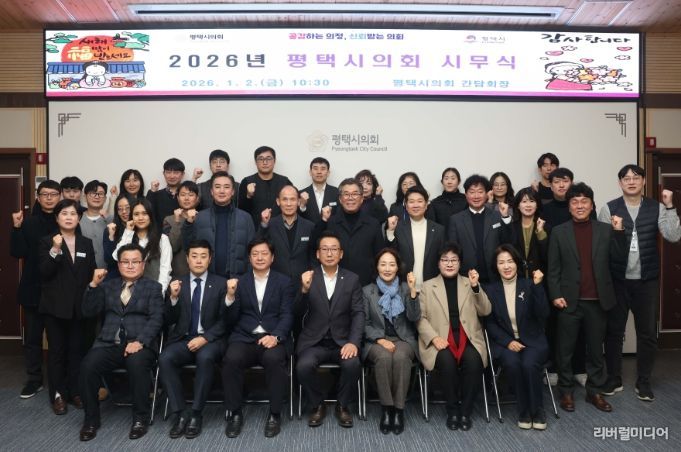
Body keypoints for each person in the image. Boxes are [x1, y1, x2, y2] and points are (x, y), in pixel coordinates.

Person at [599, 164, 681, 401]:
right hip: (617, 280)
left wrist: (670, 206)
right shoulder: (609, 208)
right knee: (614, 332)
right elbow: (601, 246)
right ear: (620, 183)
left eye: (636, 177)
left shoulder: (656, 207)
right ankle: (614, 378)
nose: (631, 181)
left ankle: (643, 381)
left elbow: (673, 235)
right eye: (626, 178)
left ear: (644, 181)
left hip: (646, 281)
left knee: (647, 334)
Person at [547, 183, 626, 414]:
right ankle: (566, 391)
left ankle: (595, 391)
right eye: (575, 202)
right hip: (568, 301)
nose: (579, 206)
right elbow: (553, 269)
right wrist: (555, 295)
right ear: (569, 206)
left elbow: (619, 260)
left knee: (595, 351)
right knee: (565, 350)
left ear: (592, 205)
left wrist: (619, 232)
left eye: (584, 202)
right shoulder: (559, 232)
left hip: (597, 300)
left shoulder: (606, 229)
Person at [78, 243, 164, 441]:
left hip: (140, 344)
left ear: (143, 264)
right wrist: (93, 285)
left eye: (135, 261)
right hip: (109, 343)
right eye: (126, 262)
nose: (130, 265)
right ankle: (91, 420)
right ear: (118, 264)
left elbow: (157, 319)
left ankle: (140, 419)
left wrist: (140, 341)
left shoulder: (153, 287)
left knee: (137, 364)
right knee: (87, 366)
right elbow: (88, 312)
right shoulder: (107, 286)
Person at [223, 238, 295, 438]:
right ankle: (235, 413)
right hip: (244, 336)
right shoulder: (239, 282)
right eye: (255, 254)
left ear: (272, 257)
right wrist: (230, 297)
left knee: (274, 359)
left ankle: (275, 414)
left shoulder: (284, 282)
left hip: (272, 336)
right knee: (231, 359)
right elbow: (230, 319)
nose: (260, 257)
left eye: (264, 253)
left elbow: (287, 315)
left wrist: (276, 336)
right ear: (249, 258)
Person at [416, 242, 491, 431]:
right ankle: (452, 411)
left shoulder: (469, 283)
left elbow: (485, 310)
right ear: (438, 263)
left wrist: (476, 287)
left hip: (468, 338)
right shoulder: (427, 286)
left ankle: (465, 411)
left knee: (474, 362)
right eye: (445, 260)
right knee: (447, 363)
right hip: (439, 339)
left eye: (454, 260)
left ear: (460, 263)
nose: (449, 264)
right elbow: (420, 319)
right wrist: (434, 338)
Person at [159, 240, 228, 440]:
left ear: (210, 259)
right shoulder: (177, 283)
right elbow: (168, 320)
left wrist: (205, 338)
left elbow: (226, 321)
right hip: (184, 339)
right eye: (194, 256)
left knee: (205, 357)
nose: (198, 260)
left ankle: (196, 413)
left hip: (211, 340)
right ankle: (180, 412)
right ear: (187, 259)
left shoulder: (221, 283)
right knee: (165, 358)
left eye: (203, 256)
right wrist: (173, 298)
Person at [295, 231, 364, 429]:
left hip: (342, 341)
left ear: (341, 254)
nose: (329, 253)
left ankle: (342, 405)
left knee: (352, 364)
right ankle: (318, 404)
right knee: (303, 366)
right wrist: (303, 290)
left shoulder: (352, 279)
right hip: (314, 342)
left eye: (334, 249)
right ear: (318, 254)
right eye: (325, 249)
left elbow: (358, 314)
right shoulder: (309, 276)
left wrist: (353, 342)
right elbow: (296, 312)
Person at [39, 199, 96, 415]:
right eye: (64, 213)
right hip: (55, 308)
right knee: (57, 353)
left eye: (73, 213)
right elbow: (44, 272)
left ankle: (75, 392)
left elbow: (90, 272)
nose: (69, 217)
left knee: (77, 352)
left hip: (79, 308)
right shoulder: (46, 242)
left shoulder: (86, 243)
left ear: (79, 218)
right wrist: (55, 249)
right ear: (57, 218)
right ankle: (58, 395)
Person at [484, 244, 549, 430]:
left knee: (529, 364)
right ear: (496, 266)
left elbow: (543, 314)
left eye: (510, 261)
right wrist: (508, 342)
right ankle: (523, 410)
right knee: (513, 363)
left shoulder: (529, 285)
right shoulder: (490, 290)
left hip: (532, 341)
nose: (506, 266)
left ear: (517, 263)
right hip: (504, 343)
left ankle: (537, 410)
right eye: (501, 262)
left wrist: (538, 287)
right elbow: (489, 323)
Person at [11, 179, 61, 399]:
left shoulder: (65, 220)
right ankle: (34, 380)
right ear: (38, 197)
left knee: (57, 339)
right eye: (44, 194)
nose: (49, 198)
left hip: (58, 289)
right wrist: (16, 228)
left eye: (53, 194)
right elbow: (18, 252)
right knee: (32, 339)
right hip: (33, 288)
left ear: (60, 196)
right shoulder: (28, 222)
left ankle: (58, 381)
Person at [362, 248, 420, 435]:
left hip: (403, 338)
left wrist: (413, 292)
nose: (387, 268)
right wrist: (379, 339)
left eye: (392, 264)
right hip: (376, 340)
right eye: (383, 264)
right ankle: (387, 409)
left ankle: (399, 410)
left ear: (398, 268)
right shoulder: (367, 291)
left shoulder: (405, 288)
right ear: (377, 267)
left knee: (401, 358)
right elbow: (364, 323)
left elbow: (414, 318)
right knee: (384, 358)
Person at [183, 171, 255, 279]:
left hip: (238, 279)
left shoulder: (245, 218)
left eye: (226, 187)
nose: (222, 191)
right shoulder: (199, 217)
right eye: (217, 187)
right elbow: (188, 247)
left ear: (233, 192)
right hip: (207, 280)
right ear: (211, 191)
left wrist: (247, 279)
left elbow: (253, 251)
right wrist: (188, 224)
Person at [447, 174, 511, 284]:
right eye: (472, 192)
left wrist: (505, 217)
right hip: (466, 278)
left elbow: (508, 243)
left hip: (495, 277)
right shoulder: (456, 220)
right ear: (466, 195)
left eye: (480, 192)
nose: (476, 196)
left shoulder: (497, 216)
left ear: (487, 194)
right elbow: (453, 251)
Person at [323, 178, 385, 286]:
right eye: (346, 194)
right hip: (336, 284)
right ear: (340, 199)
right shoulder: (331, 223)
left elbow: (380, 256)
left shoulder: (373, 224)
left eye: (355, 194)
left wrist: (374, 281)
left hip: (366, 285)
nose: (350, 198)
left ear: (361, 198)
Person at [386, 186, 446, 289]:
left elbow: (443, 259)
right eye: (411, 201)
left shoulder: (438, 230)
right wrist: (390, 231)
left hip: (431, 287)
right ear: (406, 205)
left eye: (420, 201)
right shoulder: (398, 228)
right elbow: (390, 255)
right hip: (404, 286)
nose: (415, 205)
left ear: (426, 205)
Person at [113, 199, 172, 294]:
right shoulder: (128, 236)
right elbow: (117, 257)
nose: (140, 218)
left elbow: (165, 269)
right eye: (136, 214)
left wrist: (159, 293)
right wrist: (128, 232)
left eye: (144, 213)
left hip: (153, 291)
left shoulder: (162, 239)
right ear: (131, 217)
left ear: (150, 216)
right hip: (129, 293)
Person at [258, 185, 315, 284]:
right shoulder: (269, 225)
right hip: (275, 283)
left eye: (292, 199)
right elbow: (256, 248)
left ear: (299, 202)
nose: (289, 204)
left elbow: (313, 257)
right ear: (278, 201)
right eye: (285, 199)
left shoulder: (309, 226)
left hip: (303, 283)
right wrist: (264, 225)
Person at [238, 146, 293, 227]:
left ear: (274, 161)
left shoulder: (284, 181)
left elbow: (293, 205)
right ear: (255, 162)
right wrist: (248, 196)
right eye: (261, 159)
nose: (265, 162)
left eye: (268, 158)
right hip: (254, 229)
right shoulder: (247, 182)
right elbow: (241, 211)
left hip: (280, 229)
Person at [502, 188, 548, 278]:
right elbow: (506, 248)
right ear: (518, 206)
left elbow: (547, 255)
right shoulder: (512, 227)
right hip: (517, 277)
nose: (528, 205)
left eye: (532, 201)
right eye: (524, 201)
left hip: (540, 277)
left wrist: (540, 232)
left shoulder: (546, 227)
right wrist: (505, 216)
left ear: (537, 205)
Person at [162, 180, 200, 277]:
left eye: (191, 195)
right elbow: (172, 247)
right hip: (178, 273)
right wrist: (177, 221)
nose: (186, 198)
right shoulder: (169, 220)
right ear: (178, 198)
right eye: (183, 195)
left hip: (201, 271)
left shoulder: (203, 218)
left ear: (197, 198)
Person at [146, 158, 185, 233]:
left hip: (183, 235)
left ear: (183, 174)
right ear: (163, 174)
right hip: (161, 237)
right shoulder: (156, 194)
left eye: (176, 172)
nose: (172, 176)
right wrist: (152, 192)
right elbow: (148, 213)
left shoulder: (187, 196)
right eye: (168, 172)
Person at [299, 157, 339, 225]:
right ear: (310, 172)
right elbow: (297, 218)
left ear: (328, 173)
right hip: (309, 230)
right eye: (315, 168)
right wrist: (302, 206)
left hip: (330, 230)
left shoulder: (336, 192)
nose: (319, 172)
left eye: (323, 169)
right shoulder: (301, 193)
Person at [79, 180, 109, 270]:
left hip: (108, 271)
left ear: (105, 198)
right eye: (93, 193)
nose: (97, 196)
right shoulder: (77, 219)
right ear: (85, 197)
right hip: (83, 271)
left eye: (100, 194)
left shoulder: (111, 219)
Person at [103, 194, 130, 279]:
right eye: (120, 209)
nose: (124, 212)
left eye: (127, 208)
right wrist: (111, 237)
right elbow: (109, 260)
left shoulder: (139, 228)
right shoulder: (111, 229)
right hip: (115, 278)